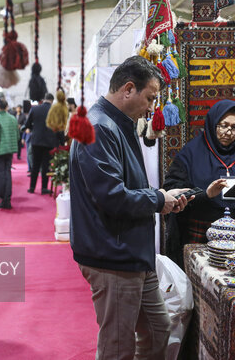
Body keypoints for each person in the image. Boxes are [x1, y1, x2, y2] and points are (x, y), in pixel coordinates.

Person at [69, 56, 192, 359]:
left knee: (158, 328)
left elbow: (125, 187)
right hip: (113, 256)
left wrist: (159, 200)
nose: (152, 107)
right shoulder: (98, 128)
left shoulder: (116, 125)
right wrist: (158, 199)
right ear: (127, 89)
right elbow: (112, 196)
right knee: (118, 346)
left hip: (131, 253)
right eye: (150, 97)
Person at [163, 99, 235, 262]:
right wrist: (206, 194)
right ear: (212, 123)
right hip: (199, 236)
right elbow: (172, 190)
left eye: (234, 127)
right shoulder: (190, 154)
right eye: (223, 125)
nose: (228, 132)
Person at [23, 93, 62, 194]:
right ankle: (44, 188)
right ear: (52, 101)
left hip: (36, 141)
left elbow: (27, 124)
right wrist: (61, 142)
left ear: (44, 99)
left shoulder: (35, 109)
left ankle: (32, 187)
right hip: (50, 142)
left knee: (35, 165)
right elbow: (59, 128)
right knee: (46, 165)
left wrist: (34, 129)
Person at [0, 98, 20, 209]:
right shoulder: (13, 118)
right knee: (7, 174)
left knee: (0, 176)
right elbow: (17, 136)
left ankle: (4, 199)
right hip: (10, 150)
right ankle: (7, 200)